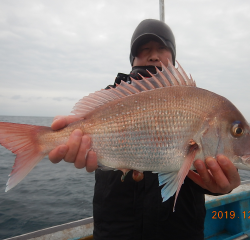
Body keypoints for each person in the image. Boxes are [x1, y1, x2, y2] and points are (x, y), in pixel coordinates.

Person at [49, 19, 240, 240]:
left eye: (162, 48)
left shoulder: (196, 100)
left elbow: (197, 169)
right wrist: (70, 137)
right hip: (116, 232)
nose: (153, 55)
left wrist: (220, 186)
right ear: (133, 60)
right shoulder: (111, 101)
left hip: (180, 232)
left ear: (174, 58)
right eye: (144, 50)